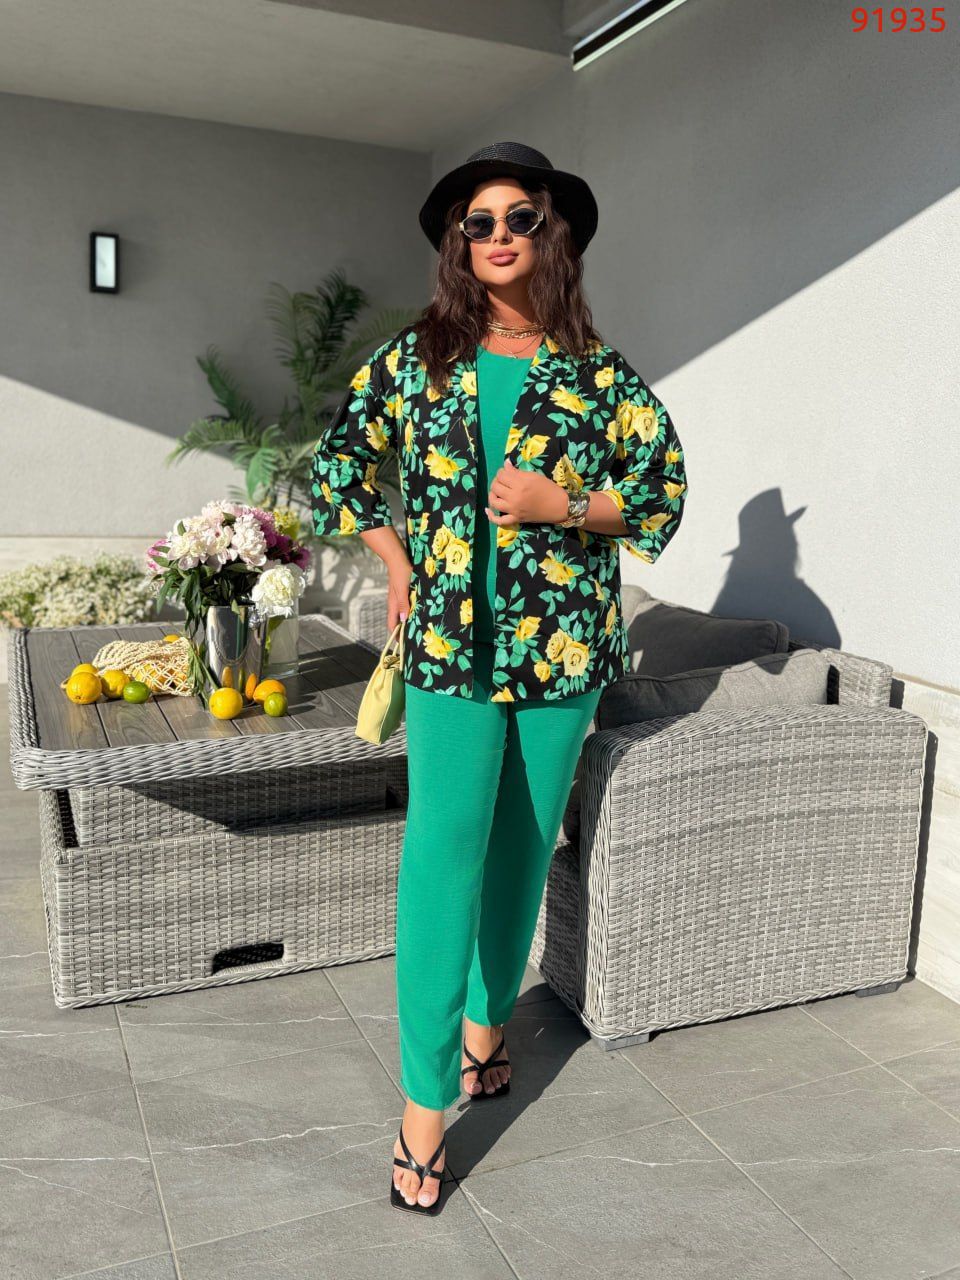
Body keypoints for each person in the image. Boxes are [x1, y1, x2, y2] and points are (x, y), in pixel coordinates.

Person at [310, 141, 689, 1214]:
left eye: (519, 216)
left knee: (522, 846)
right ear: (458, 242)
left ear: (550, 230)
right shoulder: (419, 357)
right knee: (442, 855)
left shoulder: (597, 373)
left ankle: (487, 1025)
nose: (499, 235)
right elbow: (341, 465)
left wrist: (562, 505)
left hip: (561, 649)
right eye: (477, 221)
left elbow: (659, 494)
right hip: (449, 648)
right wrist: (397, 566)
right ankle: (424, 1106)